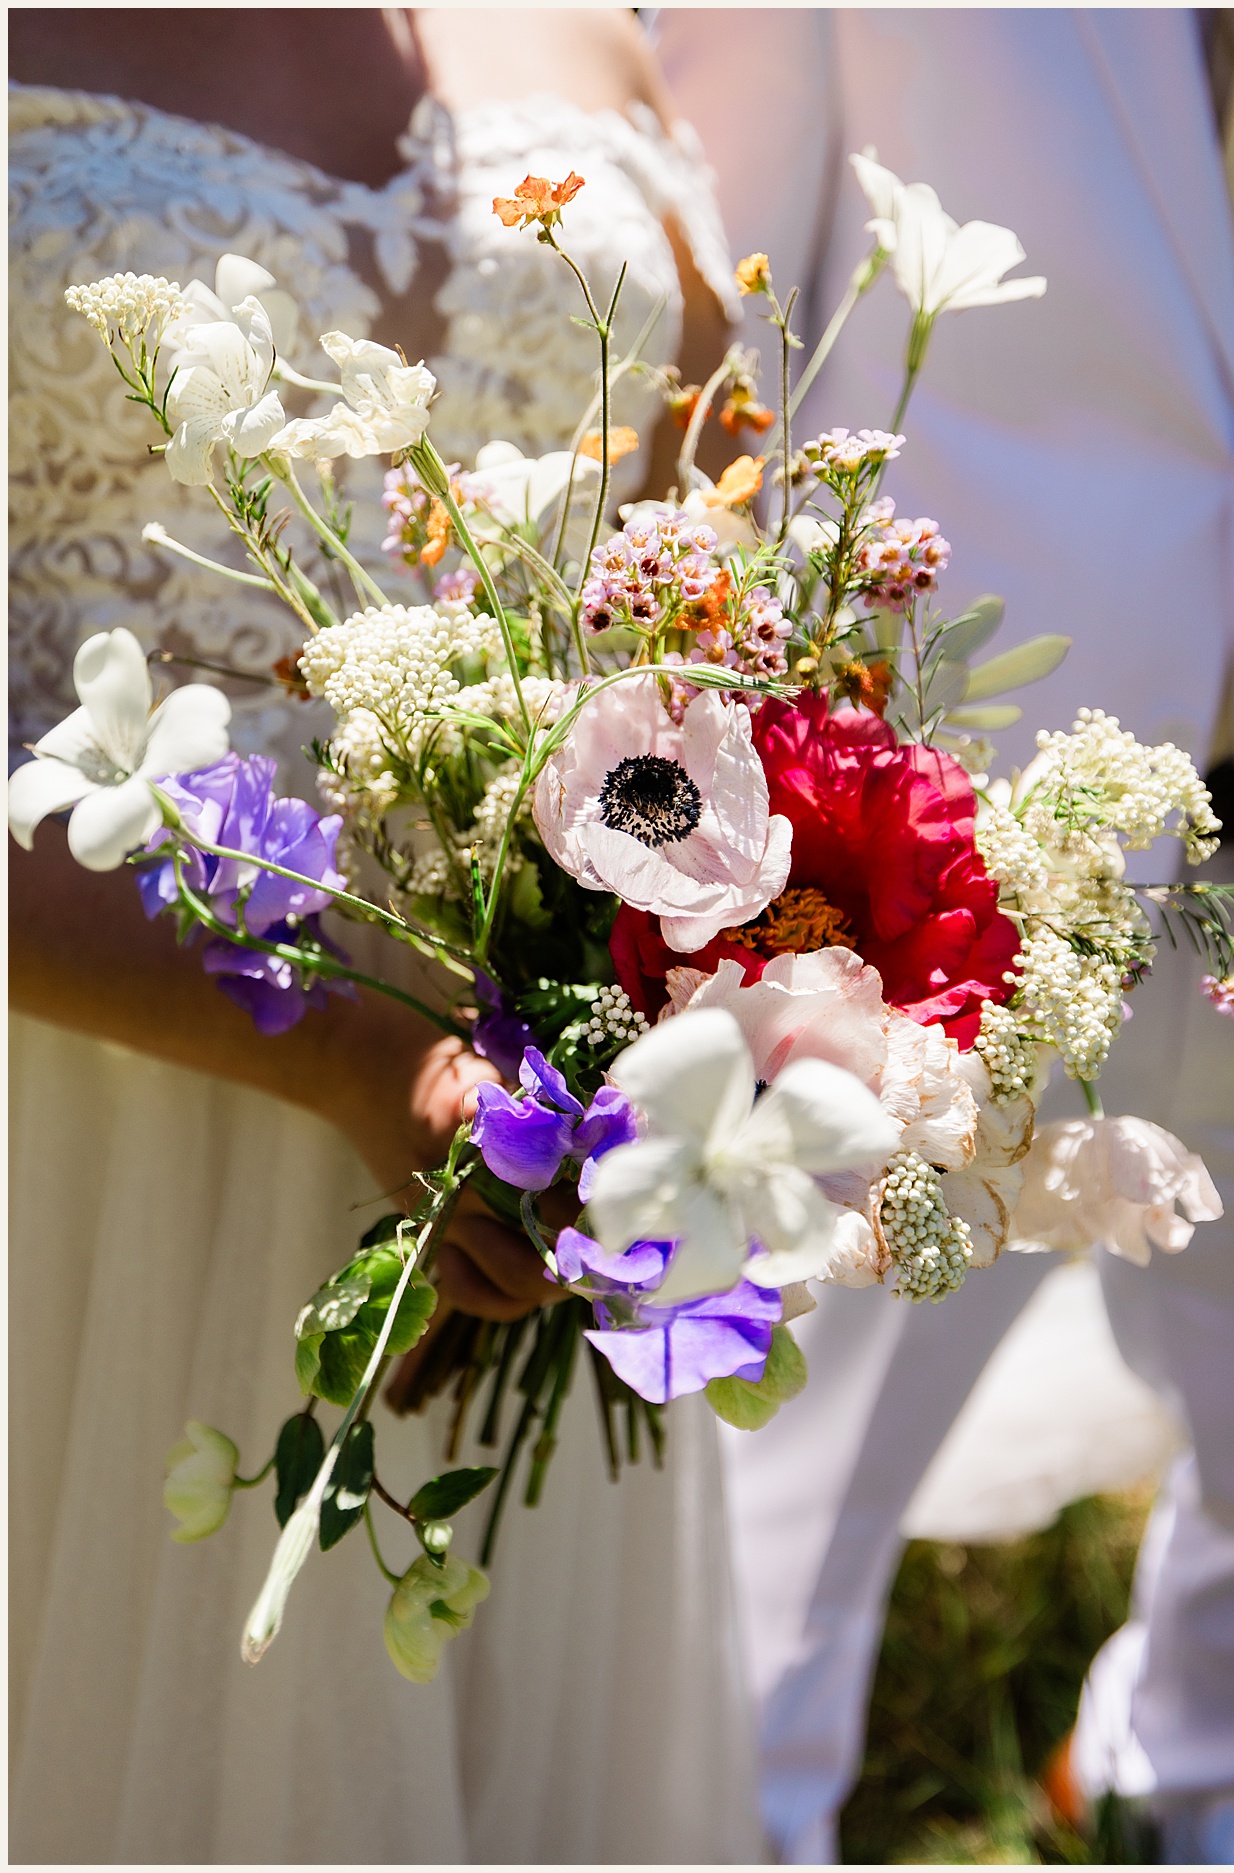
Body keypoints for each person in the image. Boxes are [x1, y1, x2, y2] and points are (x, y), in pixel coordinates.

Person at [10, 10, 760, 1857]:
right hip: (86, 1112)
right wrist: (360, 1050)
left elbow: (714, 556)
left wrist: (736, 968)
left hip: (531, 1121)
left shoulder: (591, 31)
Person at [649, 9, 1234, 1861]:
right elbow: (712, 315)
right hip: (955, 781)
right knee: (803, 1429)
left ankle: (1190, 1761)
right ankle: (737, 1820)